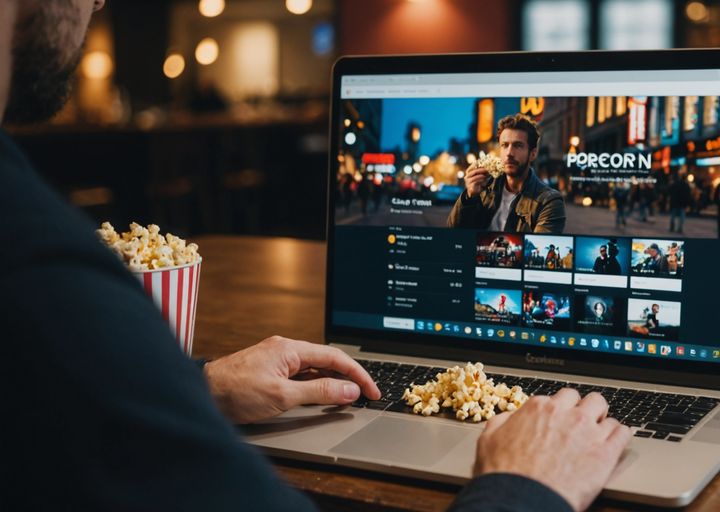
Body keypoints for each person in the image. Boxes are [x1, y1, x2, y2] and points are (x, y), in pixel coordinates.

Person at [1, 3, 631, 510]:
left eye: (521, 147)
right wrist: (527, 490)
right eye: (508, 145)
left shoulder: (544, 201)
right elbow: (459, 241)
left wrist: (195, 385)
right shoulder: (43, 278)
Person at [447, 114, 566, 233]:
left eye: (518, 146)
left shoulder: (549, 201)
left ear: (533, 154)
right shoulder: (483, 188)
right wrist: (470, 197)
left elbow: (536, 249)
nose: (509, 153)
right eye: (504, 145)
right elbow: (453, 233)